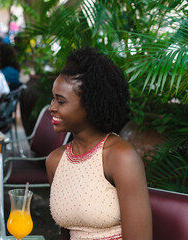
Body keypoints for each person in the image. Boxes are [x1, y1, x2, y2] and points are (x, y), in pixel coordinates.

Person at [47, 47, 152, 239]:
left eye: (60, 101)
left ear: (90, 104)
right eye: (53, 99)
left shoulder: (120, 157)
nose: (51, 108)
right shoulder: (55, 161)